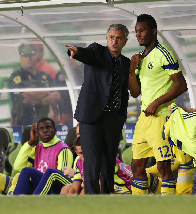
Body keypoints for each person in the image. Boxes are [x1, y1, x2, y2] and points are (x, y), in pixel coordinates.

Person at [64, 23, 130, 194]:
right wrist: (76, 51)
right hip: (91, 118)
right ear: (107, 38)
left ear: (125, 41)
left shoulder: (126, 63)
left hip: (113, 119)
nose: (114, 41)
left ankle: (107, 201)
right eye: (111, 37)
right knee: (92, 162)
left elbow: (125, 90)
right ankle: (92, 203)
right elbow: (85, 54)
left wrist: (121, 115)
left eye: (119, 38)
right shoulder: (97, 51)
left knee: (109, 163)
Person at [128, 14, 187, 195]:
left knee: (163, 167)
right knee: (137, 166)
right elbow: (135, 92)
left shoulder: (164, 53)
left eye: (142, 30)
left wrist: (157, 102)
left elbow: (181, 85)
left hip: (161, 118)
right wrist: (131, 70)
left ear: (154, 32)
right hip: (144, 119)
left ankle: (168, 207)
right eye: (136, 31)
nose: (138, 34)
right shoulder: (140, 58)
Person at [0, 117, 73, 196]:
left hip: (52, 188)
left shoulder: (62, 149)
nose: (45, 130)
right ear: (38, 132)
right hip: (37, 184)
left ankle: (16, 203)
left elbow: (61, 178)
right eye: (41, 129)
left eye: (48, 127)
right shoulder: (38, 148)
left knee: (26, 171)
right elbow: (18, 166)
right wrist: (30, 142)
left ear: (55, 130)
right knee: (1, 178)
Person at [9, 43, 61, 126]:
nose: (29, 58)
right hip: (23, 121)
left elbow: (57, 95)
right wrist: (47, 93)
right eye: (25, 56)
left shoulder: (45, 76)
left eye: (31, 55)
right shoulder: (16, 76)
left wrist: (39, 101)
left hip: (43, 121)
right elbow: (26, 95)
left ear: (37, 57)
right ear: (21, 58)